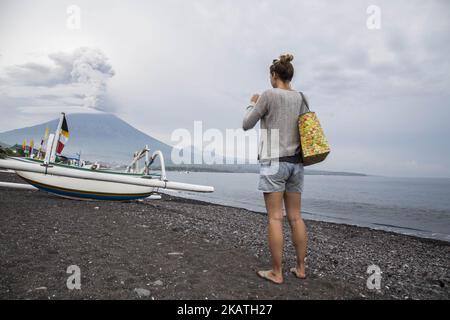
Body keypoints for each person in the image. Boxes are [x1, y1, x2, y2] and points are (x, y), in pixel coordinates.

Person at [242, 53, 309, 284]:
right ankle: (300, 269)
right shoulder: (301, 97)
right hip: (297, 163)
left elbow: (246, 124)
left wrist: (252, 102)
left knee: (274, 219)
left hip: (273, 162)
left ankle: (277, 272)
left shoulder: (269, 95)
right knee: (296, 218)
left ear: (274, 76)